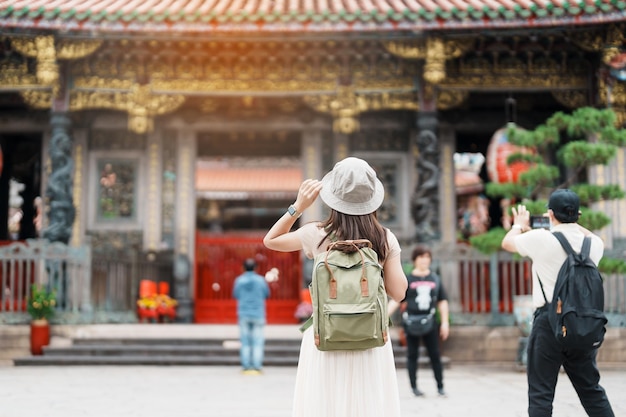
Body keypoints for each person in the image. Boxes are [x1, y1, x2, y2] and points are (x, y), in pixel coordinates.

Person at [263, 157, 408, 417]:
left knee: (325, 405)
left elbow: (271, 240)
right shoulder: (384, 238)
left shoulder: (316, 233)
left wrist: (298, 206)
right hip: (369, 337)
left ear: (333, 198)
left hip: (325, 335)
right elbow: (399, 292)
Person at [501, 189, 615, 417]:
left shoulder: (541, 238)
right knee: (591, 391)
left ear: (550, 214)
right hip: (581, 324)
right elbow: (587, 234)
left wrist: (518, 225)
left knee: (541, 394)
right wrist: (572, 221)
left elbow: (508, 243)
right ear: (579, 214)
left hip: (548, 323)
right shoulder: (594, 245)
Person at [389, 245, 450, 397]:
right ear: (415, 260)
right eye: (421, 257)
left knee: (435, 355)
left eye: (427, 257)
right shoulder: (408, 279)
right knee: (412, 355)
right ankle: (414, 387)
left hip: (430, 321)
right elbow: (397, 300)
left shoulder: (435, 279)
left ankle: (440, 386)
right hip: (411, 321)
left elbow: (442, 301)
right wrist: (383, 315)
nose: (424, 260)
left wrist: (445, 322)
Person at [232, 258, 270, 375]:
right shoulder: (261, 280)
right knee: (257, 341)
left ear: (243, 268)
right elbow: (267, 294)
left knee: (245, 342)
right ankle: (257, 366)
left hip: (243, 313)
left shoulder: (239, 280)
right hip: (258, 313)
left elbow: (235, 294)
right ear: (256, 268)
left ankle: (246, 366)